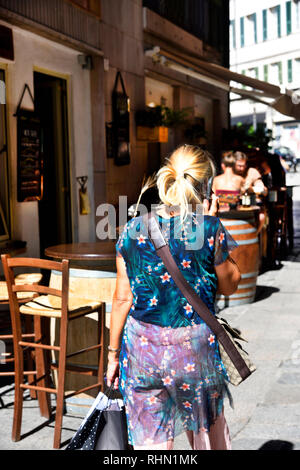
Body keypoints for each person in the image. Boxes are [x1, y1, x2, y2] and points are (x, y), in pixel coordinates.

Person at [106, 145, 241, 450]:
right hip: (193, 350)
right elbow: (231, 284)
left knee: (150, 446)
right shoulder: (207, 228)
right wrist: (210, 223)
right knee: (207, 438)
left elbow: (121, 299)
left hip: (142, 350)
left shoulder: (132, 229)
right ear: (206, 187)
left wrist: (113, 355)